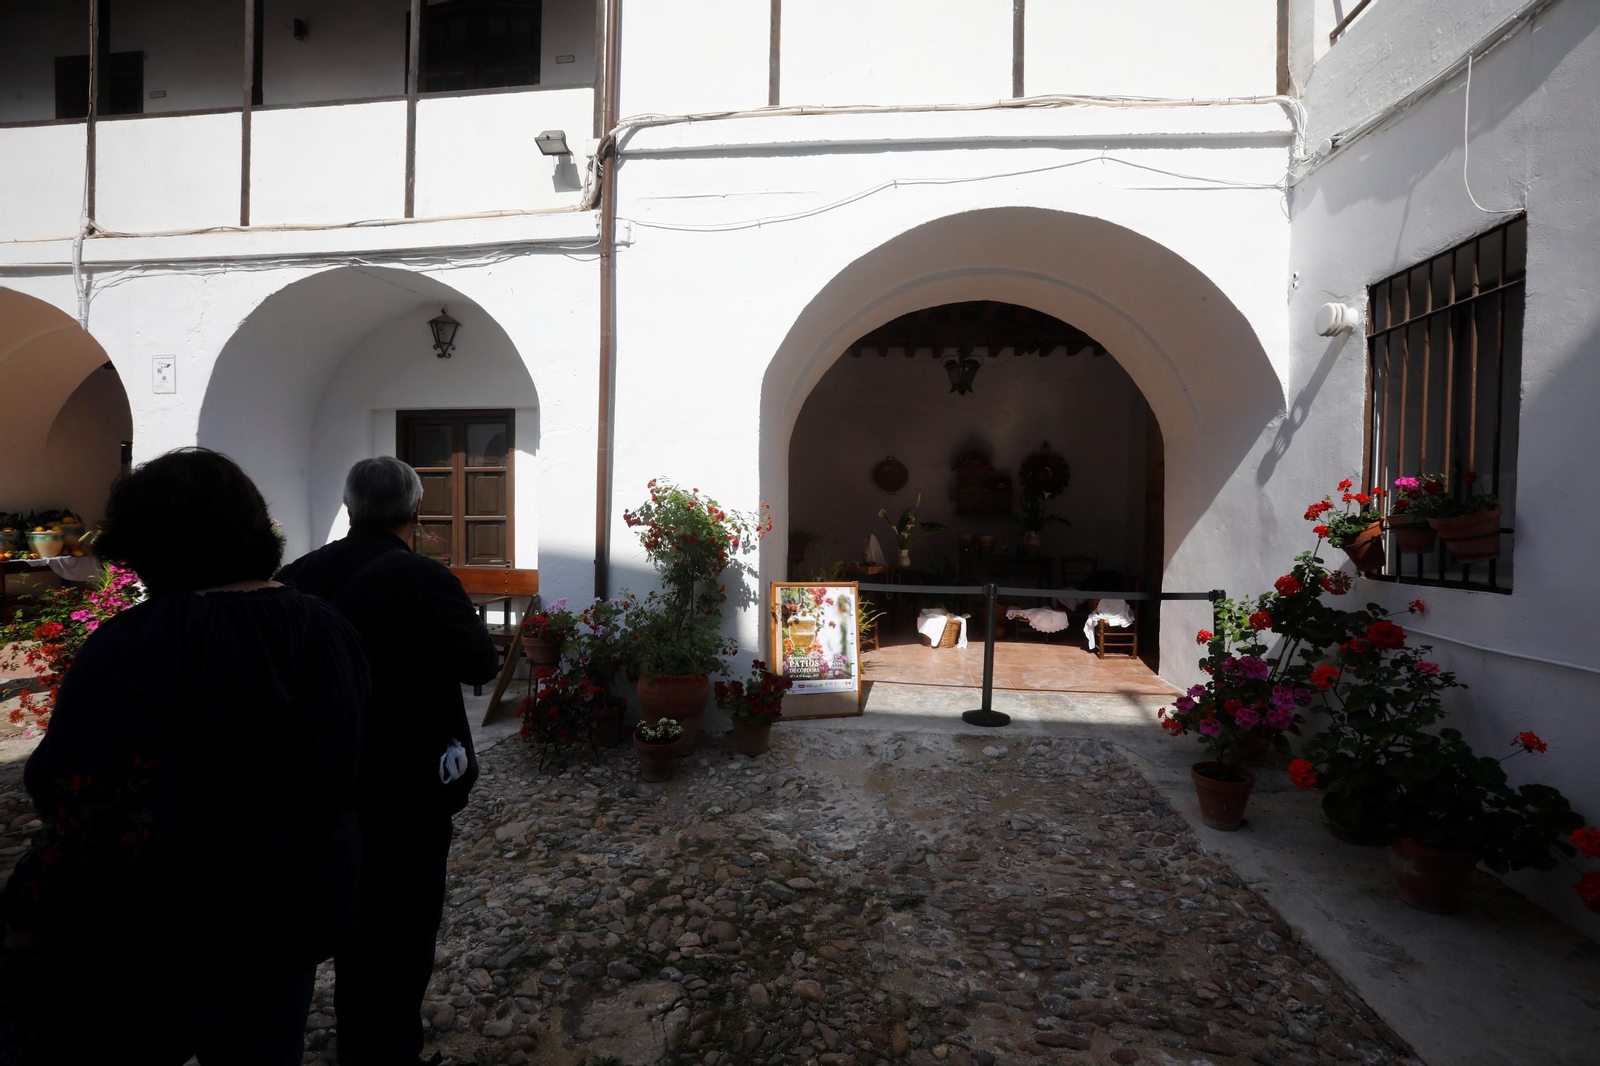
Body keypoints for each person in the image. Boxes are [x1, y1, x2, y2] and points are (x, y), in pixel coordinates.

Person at [0, 448, 369, 1065]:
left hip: (165, 923)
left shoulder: (134, 641)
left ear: (148, 543)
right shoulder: (326, 628)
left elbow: (68, 786)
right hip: (292, 904)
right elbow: (346, 761)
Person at [277, 455, 498, 1066]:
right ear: (416, 512)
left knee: (344, 917)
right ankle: (384, 1050)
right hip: (408, 783)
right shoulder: (424, 578)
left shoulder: (296, 577)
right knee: (399, 932)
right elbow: (480, 664)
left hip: (322, 781)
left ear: (350, 509)